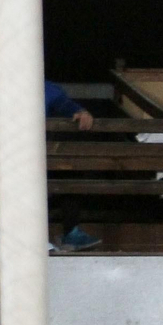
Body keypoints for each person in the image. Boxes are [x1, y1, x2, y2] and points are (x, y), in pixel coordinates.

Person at [46, 80, 99, 251]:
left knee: (68, 171)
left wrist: (80, 112)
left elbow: (65, 104)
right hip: (10, 158)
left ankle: (71, 233)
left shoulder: (45, 88)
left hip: (44, 155)